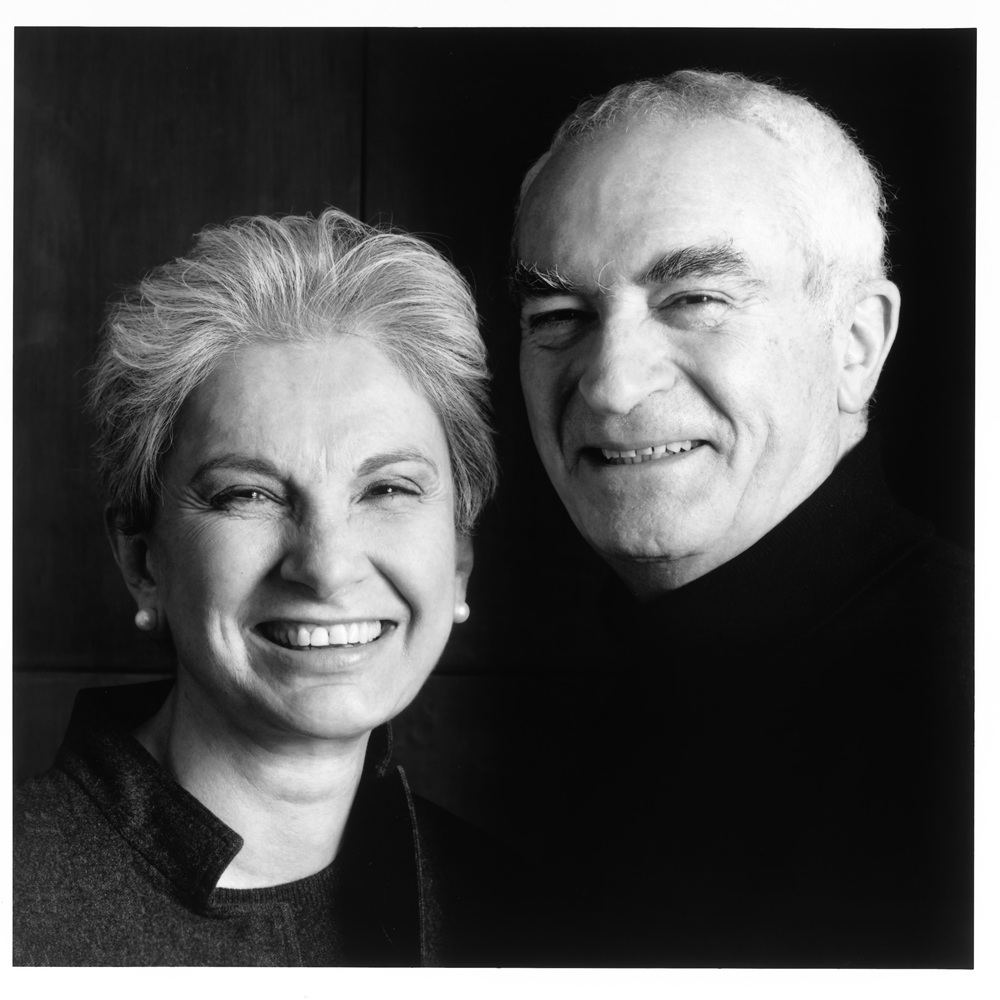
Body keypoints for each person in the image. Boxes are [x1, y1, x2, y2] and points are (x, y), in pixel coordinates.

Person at [511, 70, 973, 966]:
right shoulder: (625, 702)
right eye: (558, 314)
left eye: (695, 300)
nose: (611, 385)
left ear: (856, 345)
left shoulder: (961, 710)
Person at [14, 209, 511, 966]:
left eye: (387, 489)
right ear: (143, 562)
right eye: (249, 494)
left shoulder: (525, 918)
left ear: (460, 560)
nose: (327, 566)